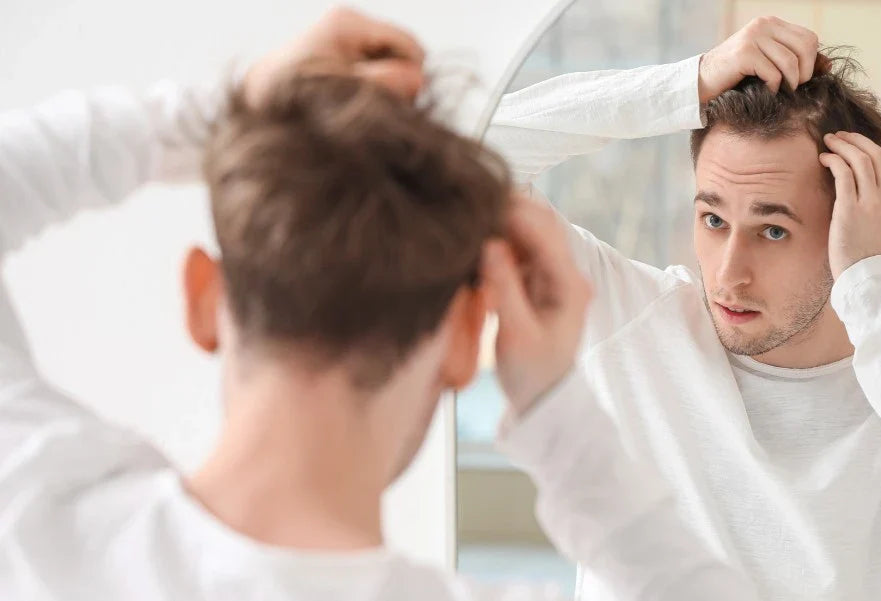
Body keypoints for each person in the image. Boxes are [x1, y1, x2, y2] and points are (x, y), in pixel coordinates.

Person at [0, 8, 762, 600]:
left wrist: (232, 110)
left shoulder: (41, 520)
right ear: (467, 338)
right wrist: (556, 410)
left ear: (203, 297)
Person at [485, 16, 881, 601]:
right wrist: (689, 83)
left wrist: (872, 281)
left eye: (773, 230)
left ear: (849, 225)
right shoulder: (631, 321)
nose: (728, 273)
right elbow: (466, 159)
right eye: (713, 219)